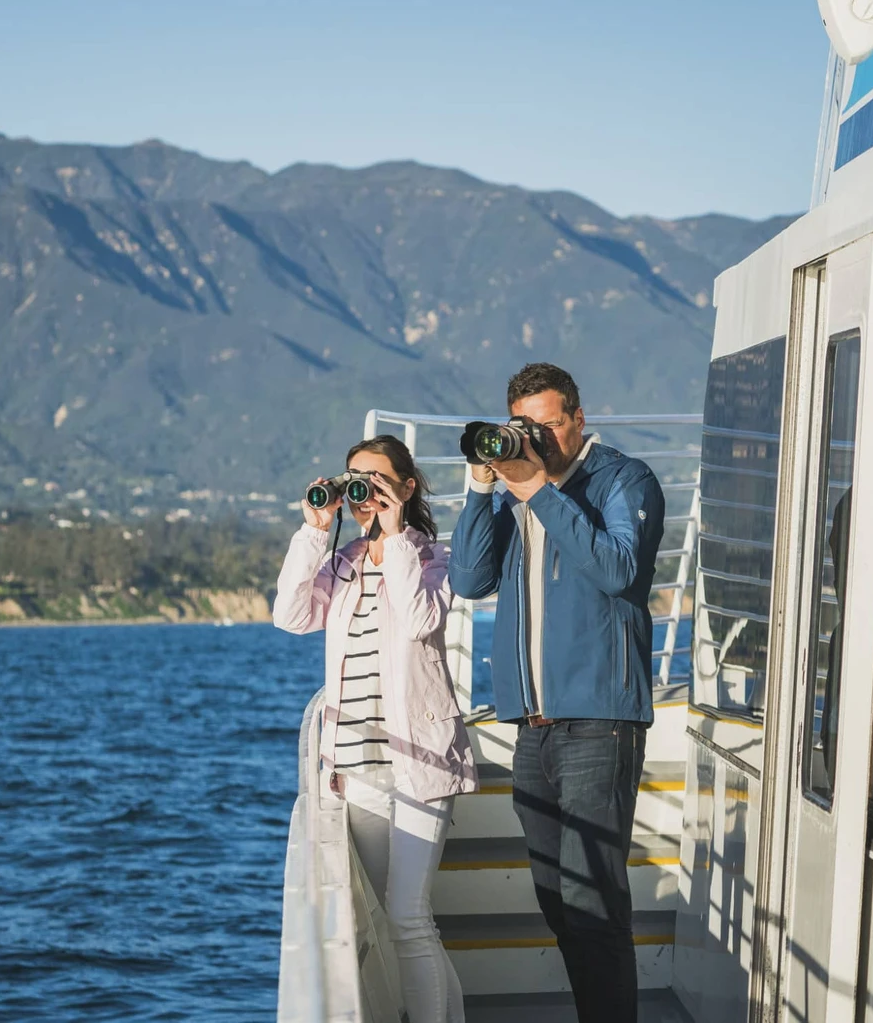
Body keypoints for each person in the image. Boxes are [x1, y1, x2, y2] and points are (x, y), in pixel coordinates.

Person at [446, 362, 666, 1023]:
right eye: (524, 427)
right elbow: (466, 576)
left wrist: (540, 488)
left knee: (593, 901)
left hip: (599, 720)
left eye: (547, 424)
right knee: (555, 899)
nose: (536, 438)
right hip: (532, 726)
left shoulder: (624, 479)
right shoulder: (515, 496)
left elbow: (619, 568)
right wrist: (483, 485)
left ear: (578, 418)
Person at [274, 435, 477, 1023]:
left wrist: (394, 537)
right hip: (356, 765)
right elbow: (289, 616)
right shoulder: (341, 565)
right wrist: (316, 530)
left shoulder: (433, 557)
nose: (363, 492)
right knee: (398, 920)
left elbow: (419, 620)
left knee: (409, 915)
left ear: (407, 487)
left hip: (420, 762)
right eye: (354, 480)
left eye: (377, 480)